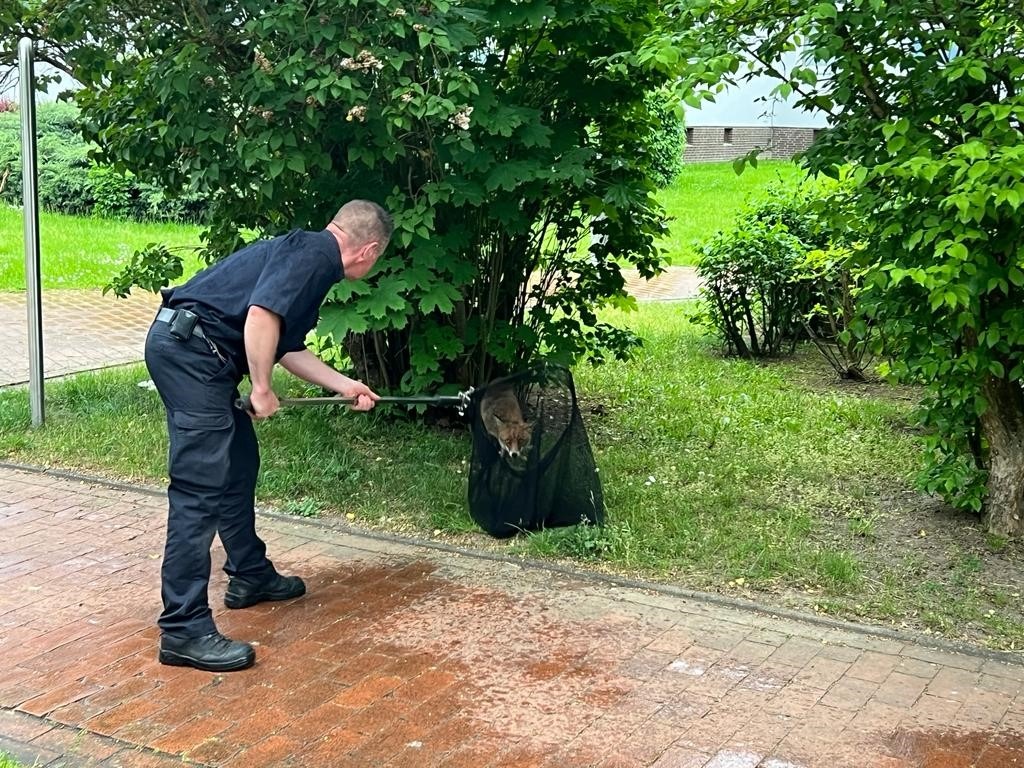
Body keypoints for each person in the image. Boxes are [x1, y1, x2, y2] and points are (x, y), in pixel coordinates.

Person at [143, 199, 392, 672]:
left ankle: (250, 575)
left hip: (196, 353)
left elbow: (283, 345)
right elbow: (260, 317)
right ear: (370, 250)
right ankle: (183, 630)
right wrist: (260, 389)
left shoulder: (309, 253)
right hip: (193, 354)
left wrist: (345, 384)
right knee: (199, 490)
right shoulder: (316, 257)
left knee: (237, 465)